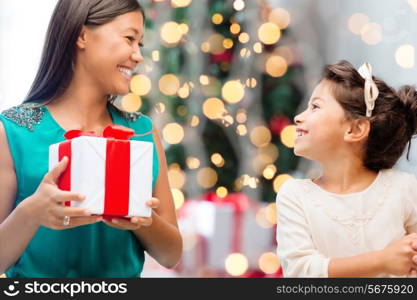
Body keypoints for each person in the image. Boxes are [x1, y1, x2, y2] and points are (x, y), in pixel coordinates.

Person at [0, 0, 182, 277]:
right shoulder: (13, 131)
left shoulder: (143, 132)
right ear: (82, 36)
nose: (137, 55)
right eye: (129, 39)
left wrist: (143, 221)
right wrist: (31, 212)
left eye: (140, 44)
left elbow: (171, 255)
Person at [276, 60, 417, 277]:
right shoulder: (294, 195)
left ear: (355, 129)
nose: (298, 117)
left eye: (315, 107)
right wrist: (382, 261)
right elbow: (300, 272)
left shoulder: (405, 189)